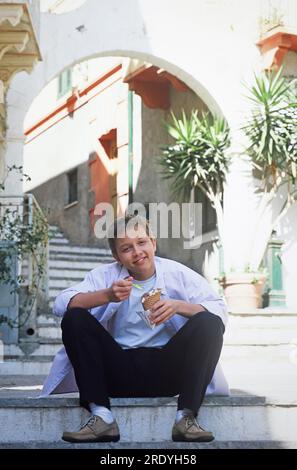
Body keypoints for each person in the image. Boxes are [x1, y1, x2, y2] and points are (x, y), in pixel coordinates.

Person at [41, 214, 229, 443]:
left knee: (209, 321)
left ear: (153, 243)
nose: (137, 252)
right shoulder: (105, 276)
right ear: (116, 256)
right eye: (126, 248)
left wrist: (179, 306)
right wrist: (107, 295)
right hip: (117, 371)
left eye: (141, 242)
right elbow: (61, 303)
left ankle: (185, 417)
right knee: (74, 318)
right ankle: (102, 417)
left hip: (167, 371)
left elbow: (219, 309)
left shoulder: (177, 273)